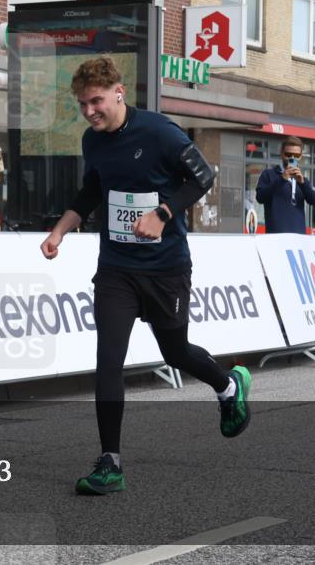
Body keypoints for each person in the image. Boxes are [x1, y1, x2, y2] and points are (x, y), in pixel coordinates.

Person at [39, 56, 251, 496]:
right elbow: (92, 190)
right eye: (82, 104)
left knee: (175, 351)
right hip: (117, 268)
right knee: (108, 360)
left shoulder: (159, 132)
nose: (89, 111)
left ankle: (227, 383)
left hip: (164, 268)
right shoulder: (92, 141)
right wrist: (60, 229)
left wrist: (163, 212)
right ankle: (110, 462)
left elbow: (203, 176)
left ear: (119, 91)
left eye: (95, 101)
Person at [255, 136, 315, 233]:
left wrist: (302, 183)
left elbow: (313, 200)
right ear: (281, 154)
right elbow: (260, 197)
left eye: (297, 156)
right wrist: (282, 179)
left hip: (298, 237)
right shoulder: (268, 174)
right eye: (288, 154)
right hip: (276, 236)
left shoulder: (302, 179)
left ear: (301, 156)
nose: (292, 158)